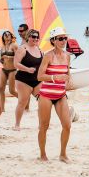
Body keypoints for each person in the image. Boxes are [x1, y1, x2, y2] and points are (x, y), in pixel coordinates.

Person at [36, 27, 72, 162]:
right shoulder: (48, 56)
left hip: (61, 95)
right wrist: (55, 78)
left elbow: (67, 72)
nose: (63, 41)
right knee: (44, 127)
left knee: (67, 125)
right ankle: (42, 154)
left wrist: (68, 79)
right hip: (46, 95)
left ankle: (63, 154)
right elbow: (39, 76)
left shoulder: (67, 56)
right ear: (53, 40)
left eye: (65, 38)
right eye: (60, 38)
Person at [13, 29, 43, 130]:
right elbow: (16, 64)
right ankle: (17, 124)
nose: (35, 39)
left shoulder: (39, 49)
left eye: (37, 37)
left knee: (43, 101)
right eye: (33, 36)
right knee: (22, 102)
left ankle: (41, 124)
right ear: (28, 37)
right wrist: (27, 69)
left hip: (37, 80)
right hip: (23, 80)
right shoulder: (23, 48)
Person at [0, 31, 19, 111]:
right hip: (4, 69)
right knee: (1, 89)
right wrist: (1, 60)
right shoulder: (2, 46)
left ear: (11, 36)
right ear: (3, 37)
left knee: (12, 90)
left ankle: (24, 101)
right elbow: (2, 58)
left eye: (8, 35)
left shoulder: (14, 45)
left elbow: (18, 58)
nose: (6, 36)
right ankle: (2, 108)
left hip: (12, 70)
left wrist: (9, 58)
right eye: (5, 35)